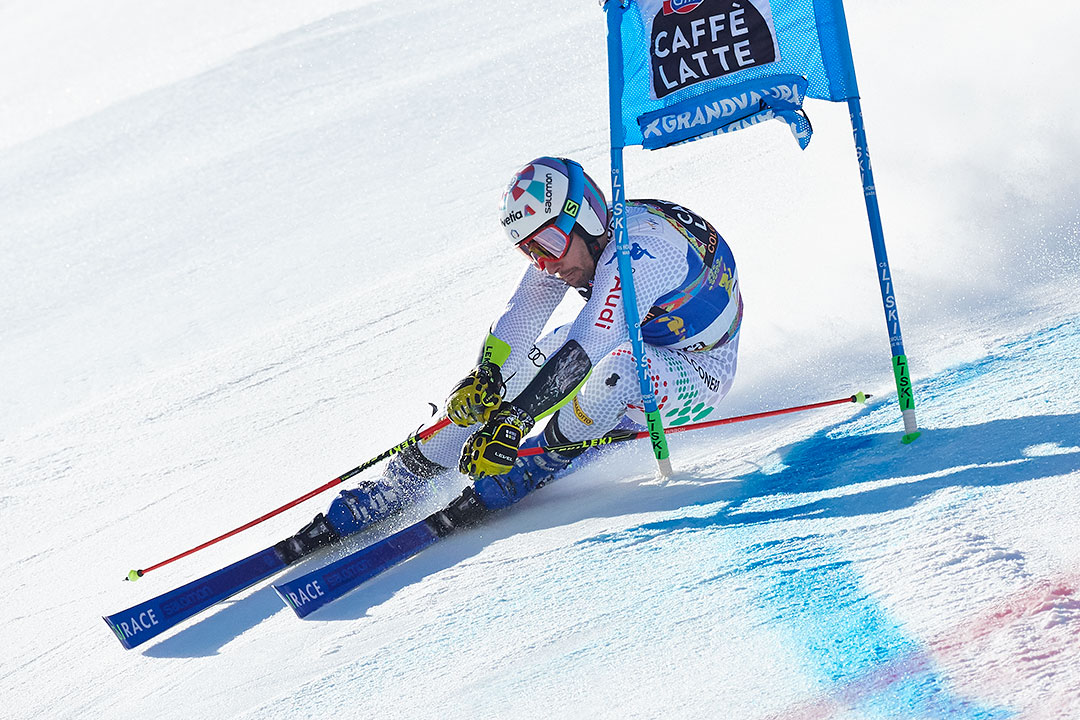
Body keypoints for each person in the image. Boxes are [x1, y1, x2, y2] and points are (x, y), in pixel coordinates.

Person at [278, 157, 743, 561]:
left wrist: (516, 421)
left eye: (548, 247)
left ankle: (541, 462)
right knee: (516, 373)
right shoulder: (576, 243)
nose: (545, 264)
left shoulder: (640, 252)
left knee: (617, 368)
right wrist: (484, 379)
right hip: (627, 338)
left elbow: (590, 344)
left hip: (696, 369)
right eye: (529, 250)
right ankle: (404, 477)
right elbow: (524, 314)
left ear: (585, 220)